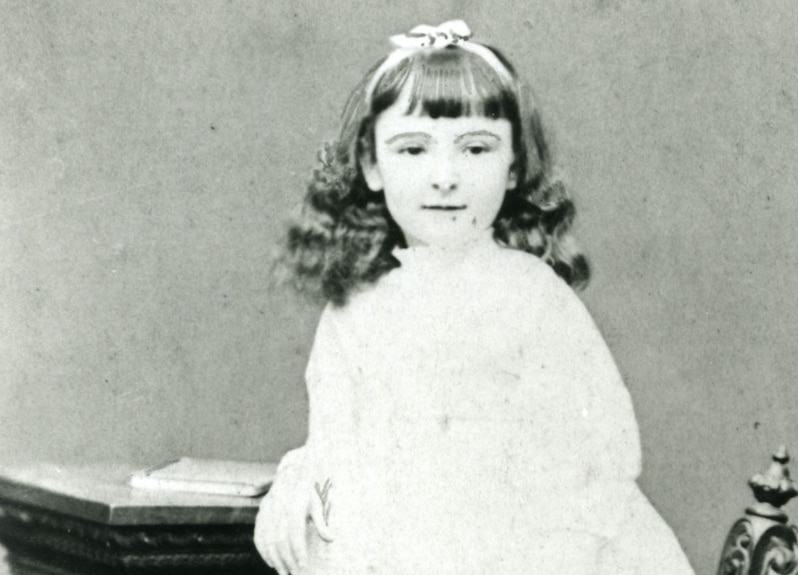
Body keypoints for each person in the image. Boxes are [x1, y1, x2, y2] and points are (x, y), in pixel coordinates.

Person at [255, 20, 694, 575]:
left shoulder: (532, 298)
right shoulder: (357, 308)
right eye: (413, 149)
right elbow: (336, 443)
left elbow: (601, 455)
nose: (445, 177)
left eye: (476, 149)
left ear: (513, 167)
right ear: (371, 165)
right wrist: (298, 482)